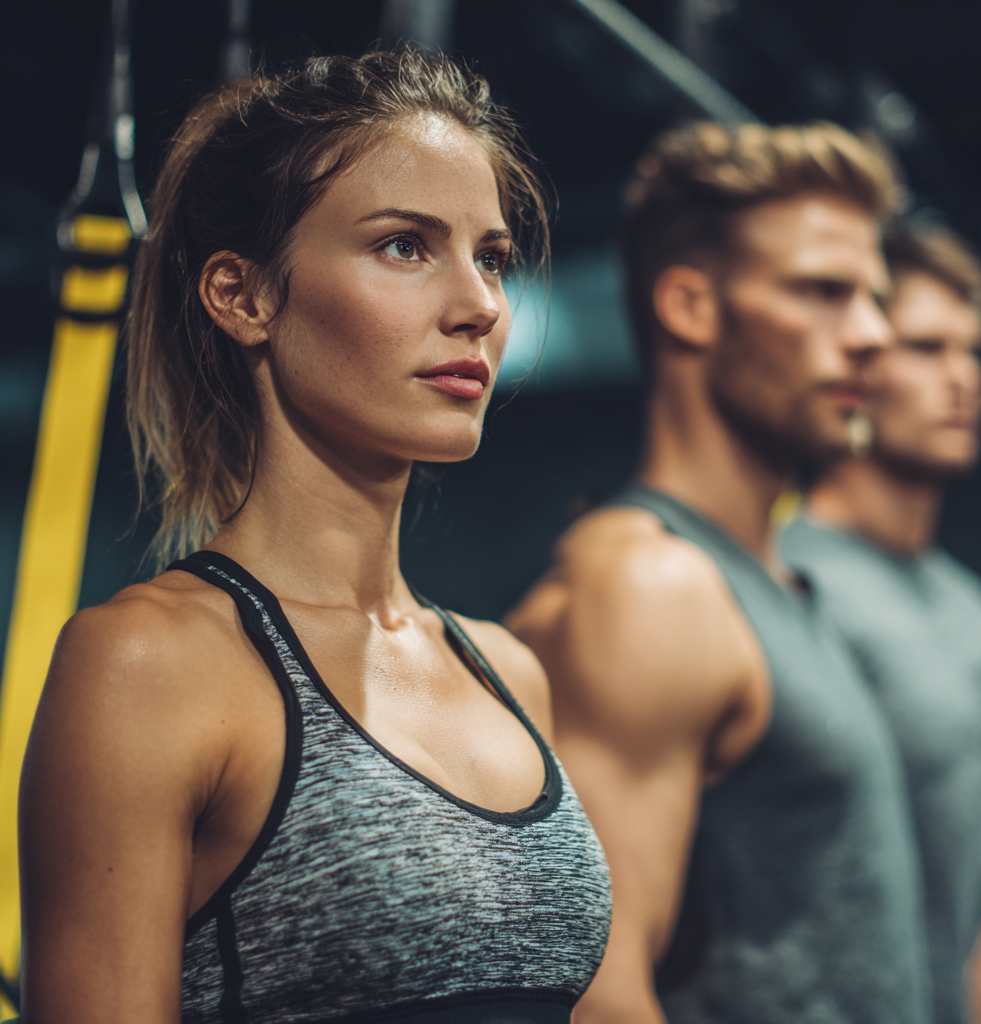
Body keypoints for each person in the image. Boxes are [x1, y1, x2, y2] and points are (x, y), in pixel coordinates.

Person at [18, 51, 611, 1024]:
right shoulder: (148, 663)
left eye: (491, 257)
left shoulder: (508, 671)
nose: (480, 305)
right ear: (243, 296)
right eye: (405, 247)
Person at [508, 122, 932, 1024]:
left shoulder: (766, 580)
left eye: (874, 298)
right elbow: (596, 991)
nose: (873, 334)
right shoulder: (647, 587)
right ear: (691, 306)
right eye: (823, 291)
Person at [780, 225, 981, 1024]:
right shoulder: (790, 584)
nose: (963, 378)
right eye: (926, 348)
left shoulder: (975, 611)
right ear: (856, 359)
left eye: (972, 351)